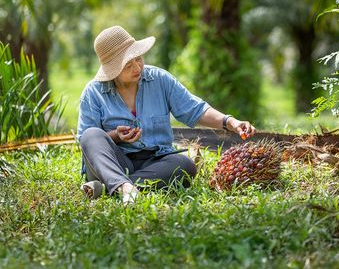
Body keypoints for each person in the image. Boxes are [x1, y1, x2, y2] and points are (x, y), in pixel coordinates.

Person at [77, 26, 256, 204]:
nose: (137, 67)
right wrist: (116, 136)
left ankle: (116, 187)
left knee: (185, 166)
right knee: (91, 134)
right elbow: (88, 144)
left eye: (138, 59)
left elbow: (195, 109)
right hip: (114, 163)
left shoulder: (160, 79)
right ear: (113, 70)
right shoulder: (93, 93)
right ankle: (121, 185)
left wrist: (230, 122)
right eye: (128, 65)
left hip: (155, 162)